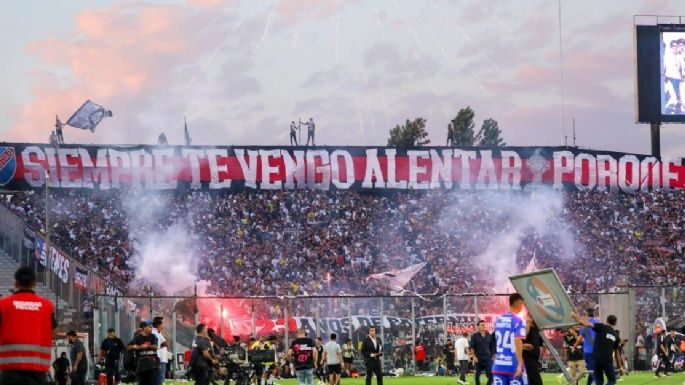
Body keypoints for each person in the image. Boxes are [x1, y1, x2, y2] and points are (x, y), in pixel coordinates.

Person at [0, 267, 56, 385]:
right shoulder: (47, 306)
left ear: (16, 283)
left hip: (10, 371)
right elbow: (52, 330)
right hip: (38, 371)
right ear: (34, 283)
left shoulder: (3, 305)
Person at [571, 313, 620, 385]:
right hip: (607, 360)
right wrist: (620, 367)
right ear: (615, 323)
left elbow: (587, 324)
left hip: (596, 359)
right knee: (612, 380)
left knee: (599, 381)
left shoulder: (601, 327)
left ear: (606, 321)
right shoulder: (616, 335)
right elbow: (617, 354)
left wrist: (575, 316)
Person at [491, 293, 526, 385]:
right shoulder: (518, 321)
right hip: (513, 365)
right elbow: (517, 340)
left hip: (499, 364)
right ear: (520, 305)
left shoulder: (498, 320)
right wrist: (519, 364)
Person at [129, 321, 162, 385]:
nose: (151, 328)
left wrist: (147, 346)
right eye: (149, 327)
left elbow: (156, 347)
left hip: (153, 366)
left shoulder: (153, 337)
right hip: (141, 367)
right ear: (144, 328)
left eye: (152, 327)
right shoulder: (137, 338)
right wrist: (137, 347)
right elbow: (129, 347)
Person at [469, 320, 496, 385]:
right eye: (482, 325)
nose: (484, 326)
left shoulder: (489, 335)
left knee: (491, 373)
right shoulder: (474, 336)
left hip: (488, 358)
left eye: (484, 325)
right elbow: (472, 347)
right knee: (477, 375)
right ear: (478, 326)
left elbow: (492, 347)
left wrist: (493, 356)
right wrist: (474, 357)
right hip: (478, 358)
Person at [522, 313, 543, 385]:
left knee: (532, 380)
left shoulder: (536, 329)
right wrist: (528, 323)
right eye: (531, 317)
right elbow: (523, 336)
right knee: (536, 381)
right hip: (528, 358)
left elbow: (540, 343)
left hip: (535, 359)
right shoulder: (525, 326)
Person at [581, 308, 598, 385]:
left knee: (593, 370)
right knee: (593, 369)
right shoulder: (597, 323)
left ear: (586, 314)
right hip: (597, 350)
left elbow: (580, 338)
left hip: (588, 351)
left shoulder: (584, 325)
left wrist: (574, 346)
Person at [151, 317, 168, 385]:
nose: (164, 325)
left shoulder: (156, 332)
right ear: (159, 325)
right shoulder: (156, 333)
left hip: (156, 358)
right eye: (163, 323)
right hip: (158, 358)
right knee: (159, 379)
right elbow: (166, 343)